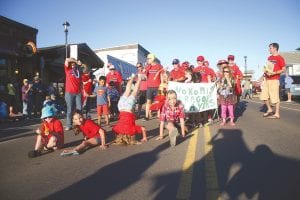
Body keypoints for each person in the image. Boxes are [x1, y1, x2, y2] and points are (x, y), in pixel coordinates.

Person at [112, 76, 147, 145]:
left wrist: (144, 137)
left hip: (128, 108)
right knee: (127, 90)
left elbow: (143, 129)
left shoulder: (131, 131)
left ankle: (139, 79)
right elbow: (113, 129)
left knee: (135, 91)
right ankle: (132, 78)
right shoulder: (118, 129)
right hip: (121, 107)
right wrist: (115, 137)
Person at [260, 43, 286, 119]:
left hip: (274, 80)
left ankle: (277, 114)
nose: (269, 49)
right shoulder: (269, 57)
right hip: (267, 79)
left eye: (270, 48)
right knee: (264, 97)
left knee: (275, 98)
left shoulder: (280, 58)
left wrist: (274, 73)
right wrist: (262, 76)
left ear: (275, 48)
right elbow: (267, 68)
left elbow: (283, 69)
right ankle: (270, 109)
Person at [143, 53, 163, 121]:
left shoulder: (159, 66)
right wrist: (144, 72)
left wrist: (162, 84)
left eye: (149, 58)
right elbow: (145, 76)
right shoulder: (147, 66)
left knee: (157, 102)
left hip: (157, 87)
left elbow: (161, 75)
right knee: (148, 102)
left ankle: (158, 115)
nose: (147, 60)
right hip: (149, 87)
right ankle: (146, 116)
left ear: (152, 59)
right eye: (147, 58)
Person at [64, 58, 82, 130]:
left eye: (74, 64)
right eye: (72, 64)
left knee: (79, 109)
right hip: (69, 92)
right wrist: (75, 61)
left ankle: (79, 124)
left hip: (78, 92)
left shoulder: (78, 71)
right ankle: (69, 125)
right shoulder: (67, 70)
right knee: (70, 109)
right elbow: (67, 60)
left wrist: (79, 64)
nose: (73, 65)